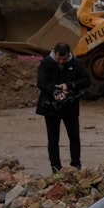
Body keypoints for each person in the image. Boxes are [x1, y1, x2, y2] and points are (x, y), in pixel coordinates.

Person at [36, 41, 91, 174]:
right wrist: (55, 90)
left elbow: (86, 81)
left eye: (64, 59)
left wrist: (69, 85)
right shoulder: (46, 63)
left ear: (68, 55)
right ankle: (55, 168)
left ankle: (76, 165)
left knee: (74, 137)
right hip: (51, 107)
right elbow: (41, 83)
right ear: (54, 53)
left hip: (70, 106)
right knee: (53, 139)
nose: (61, 62)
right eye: (59, 59)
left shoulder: (76, 64)